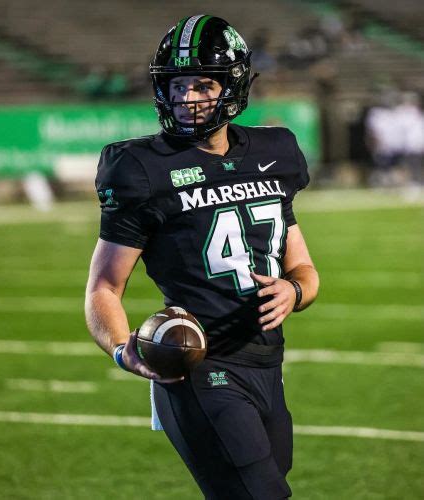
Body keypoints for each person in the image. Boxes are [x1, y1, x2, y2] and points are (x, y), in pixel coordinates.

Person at [85, 15, 319, 500]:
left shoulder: (274, 152)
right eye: (178, 85)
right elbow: (104, 287)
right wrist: (124, 350)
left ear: (233, 86)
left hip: (267, 363)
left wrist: (294, 291)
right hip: (198, 366)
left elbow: (304, 270)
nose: (187, 98)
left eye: (203, 85)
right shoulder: (142, 169)